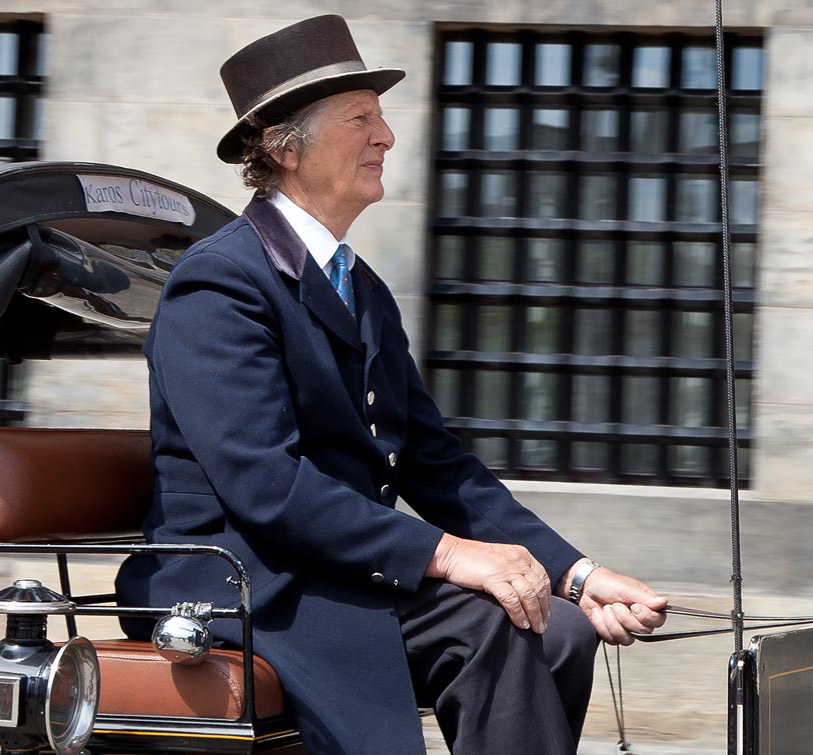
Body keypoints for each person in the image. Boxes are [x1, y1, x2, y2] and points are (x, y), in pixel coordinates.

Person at [115, 15, 667, 755]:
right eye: (360, 119)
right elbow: (267, 485)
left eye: (381, 118)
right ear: (284, 148)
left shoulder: (360, 287)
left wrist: (576, 574)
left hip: (338, 567)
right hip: (247, 580)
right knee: (497, 625)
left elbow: (437, 464)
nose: (387, 137)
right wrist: (449, 553)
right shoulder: (219, 282)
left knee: (560, 627)